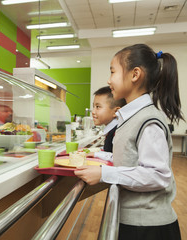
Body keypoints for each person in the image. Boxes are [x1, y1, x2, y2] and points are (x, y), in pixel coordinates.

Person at [75, 44, 183, 240]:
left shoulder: (148, 120)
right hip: (134, 222)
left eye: (113, 72)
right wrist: (96, 155)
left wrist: (104, 174)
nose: (109, 80)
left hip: (148, 228)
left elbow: (157, 175)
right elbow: (129, 158)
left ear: (135, 75)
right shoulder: (131, 118)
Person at [88, 86, 126, 160]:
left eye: (98, 107)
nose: (93, 112)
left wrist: (95, 154)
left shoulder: (118, 132)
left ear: (116, 112)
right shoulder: (111, 130)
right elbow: (109, 149)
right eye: (93, 106)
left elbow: (118, 158)